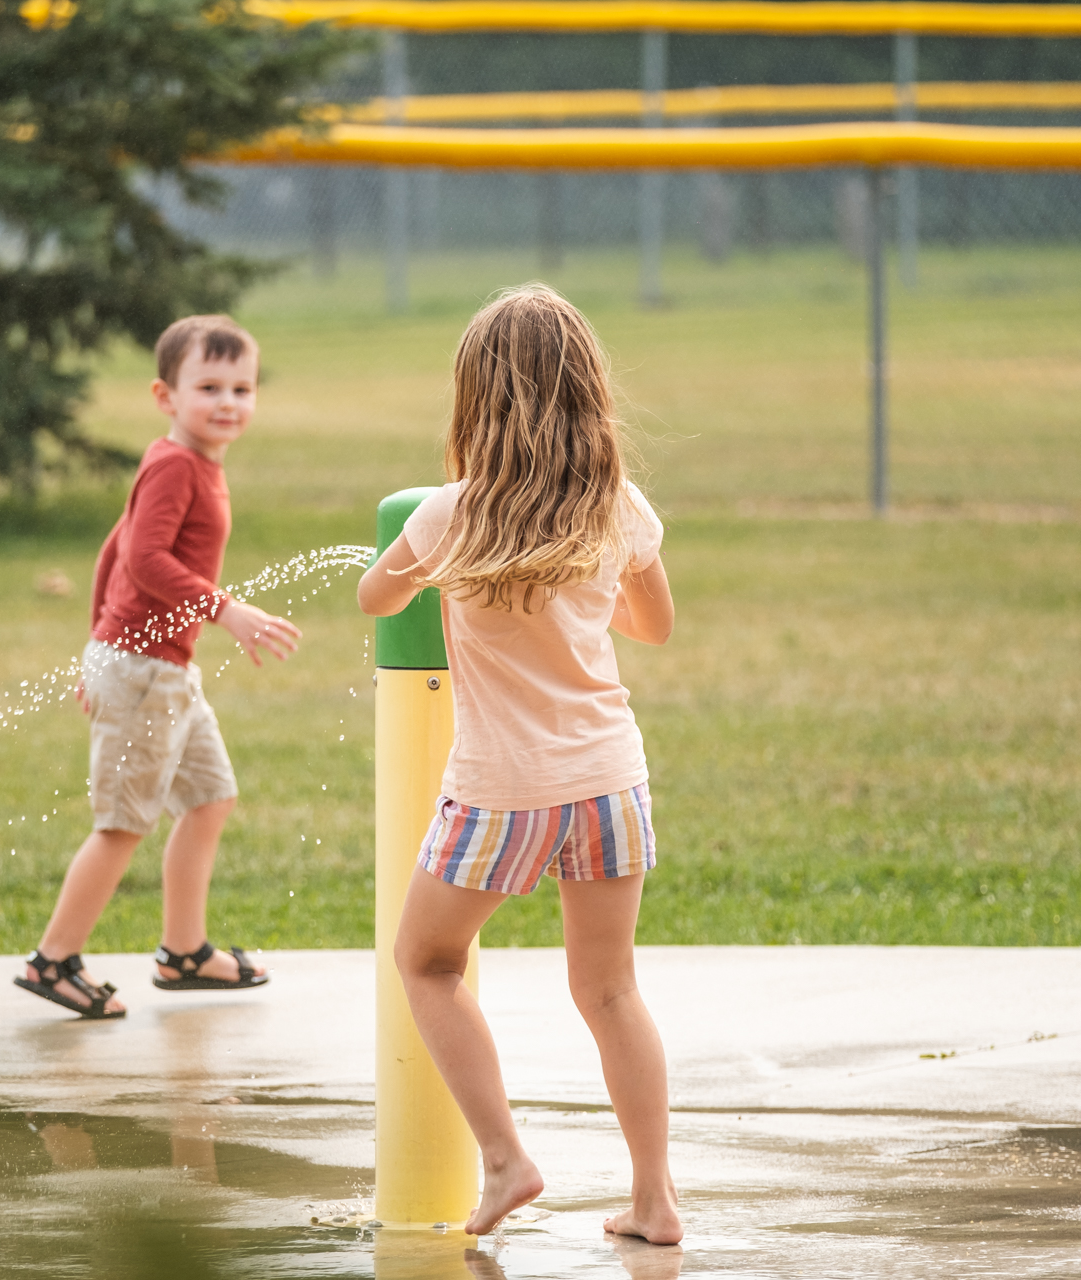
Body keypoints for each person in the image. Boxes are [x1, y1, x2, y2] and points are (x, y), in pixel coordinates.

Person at [357, 284, 681, 1245]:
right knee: (611, 990)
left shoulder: (450, 516)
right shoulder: (616, 508)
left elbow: (378, 597)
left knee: (426, 960)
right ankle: (655, 1201)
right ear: (589, 392)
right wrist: (587, 596)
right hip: (609, 782)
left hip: (500, 793)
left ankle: (505, 1160)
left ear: (474, 402)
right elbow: (655, 625)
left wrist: (427, 562)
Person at [16, 314, 300, 1020]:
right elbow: (143, 560)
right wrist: (225, 610)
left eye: (242, 387)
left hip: (154, 669)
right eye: (209, 386)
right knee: (122, 824)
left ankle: (184, 952)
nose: (229, 402)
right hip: (145, 672)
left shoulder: (186, 462)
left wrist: (94, 645)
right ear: (165, 396)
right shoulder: (176, 465)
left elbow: (113, 550)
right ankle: (54, 962)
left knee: (210, 798)